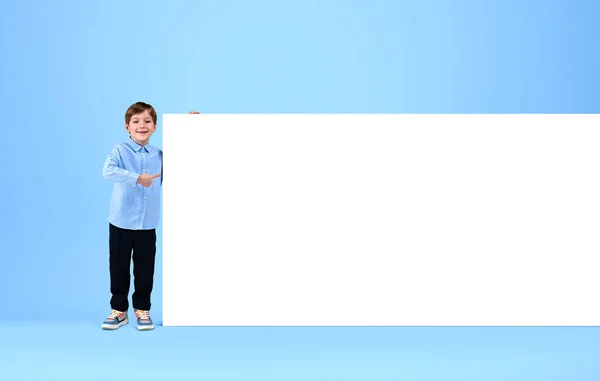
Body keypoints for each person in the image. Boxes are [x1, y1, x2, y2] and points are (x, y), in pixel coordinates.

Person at [101, 102, 199, 330]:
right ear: (127, 126)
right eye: (136, 121)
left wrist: (191, 128)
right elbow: (107, 171)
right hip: (121, 221)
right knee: (118, 267)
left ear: (155, 127)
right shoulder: (120, 151)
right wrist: (137, 178)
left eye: (147, 121)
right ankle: (119, 310)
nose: (141, 125)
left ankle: (142, 310)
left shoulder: (160, 156)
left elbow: (184, 164)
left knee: (145, 268)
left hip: (147, 224)